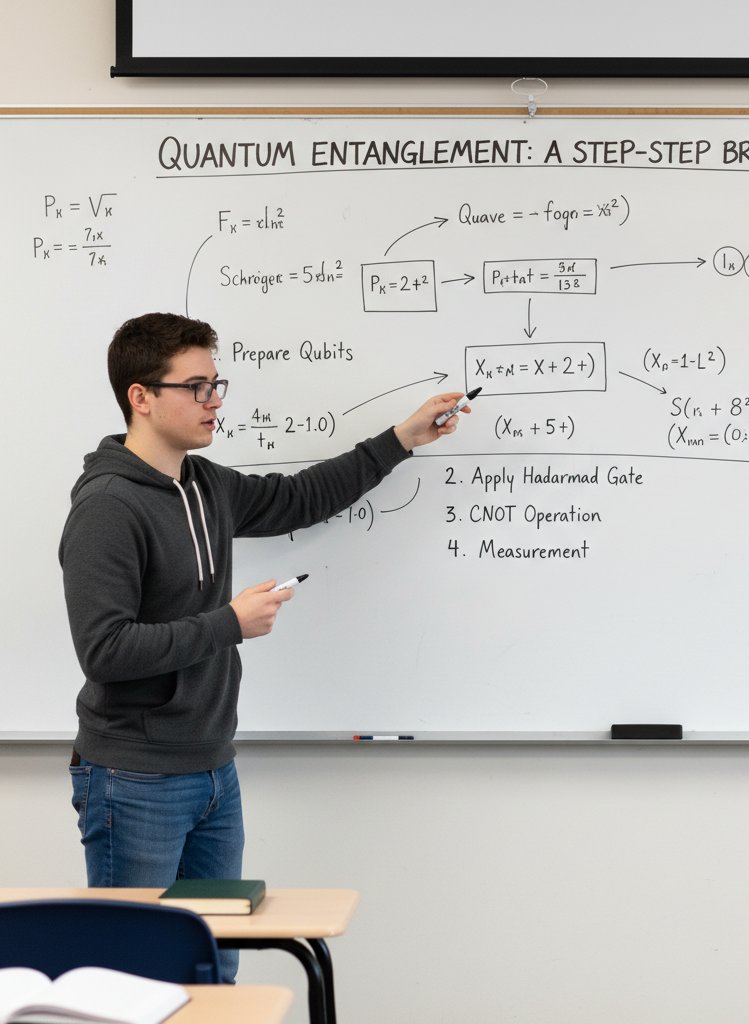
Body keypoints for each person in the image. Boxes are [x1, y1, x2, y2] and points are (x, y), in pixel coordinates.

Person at [59, 312, 469, 980]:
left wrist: (401, 440)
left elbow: (301, 498)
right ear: (141, 396)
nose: (214, 401)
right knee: (134, 980)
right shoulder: (108, 506)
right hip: (133, 781)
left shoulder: (205, 485)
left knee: (214, 973)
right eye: (196, 387)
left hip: (213, 773)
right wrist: (229, 622)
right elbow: (104, 650)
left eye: (217, 384)